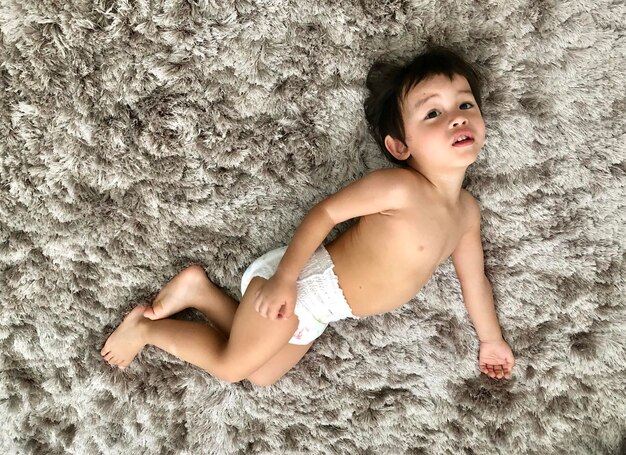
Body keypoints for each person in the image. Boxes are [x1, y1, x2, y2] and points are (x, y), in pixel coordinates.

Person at [100, 45, 516, 386]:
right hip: (300, 286)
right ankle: (146, 330)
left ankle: (200, 292)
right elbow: (328, 212)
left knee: (261, 376)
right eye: (433, 113)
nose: (457, 116)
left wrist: (491, 339)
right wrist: (283, 280)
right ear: (400, 147)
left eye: (465, 103)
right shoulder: (401, 188)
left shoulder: (466, 212)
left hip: (324, 314)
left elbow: (473, 279)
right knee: (231, 368)